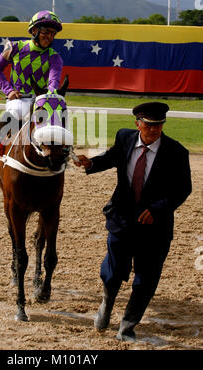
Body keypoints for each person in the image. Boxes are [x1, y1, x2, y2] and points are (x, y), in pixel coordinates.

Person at [74, 102, 192, 342]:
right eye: (149, 125)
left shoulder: (177, 152)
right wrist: (92, 163)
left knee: (146, 278)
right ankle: (107, 303)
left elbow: (183, 188)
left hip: (155, 228)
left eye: (159, 125)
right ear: (138, 124)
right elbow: (113, 158)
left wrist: (158, 209)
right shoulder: (125, 138)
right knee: (113, 271)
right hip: (121, 220)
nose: (155, 129)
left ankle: (127, 326)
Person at [0, 10, 63, 152]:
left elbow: (53, 81)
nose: (49, 37)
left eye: (53, 34)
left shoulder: (55, 57)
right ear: (34, 30)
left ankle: (64, 153)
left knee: (59, 120)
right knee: (15, 113)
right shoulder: (14, 47)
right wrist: (8, 91)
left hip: (41, 101)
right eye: (46, 32)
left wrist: (51, 95)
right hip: (18, 99)